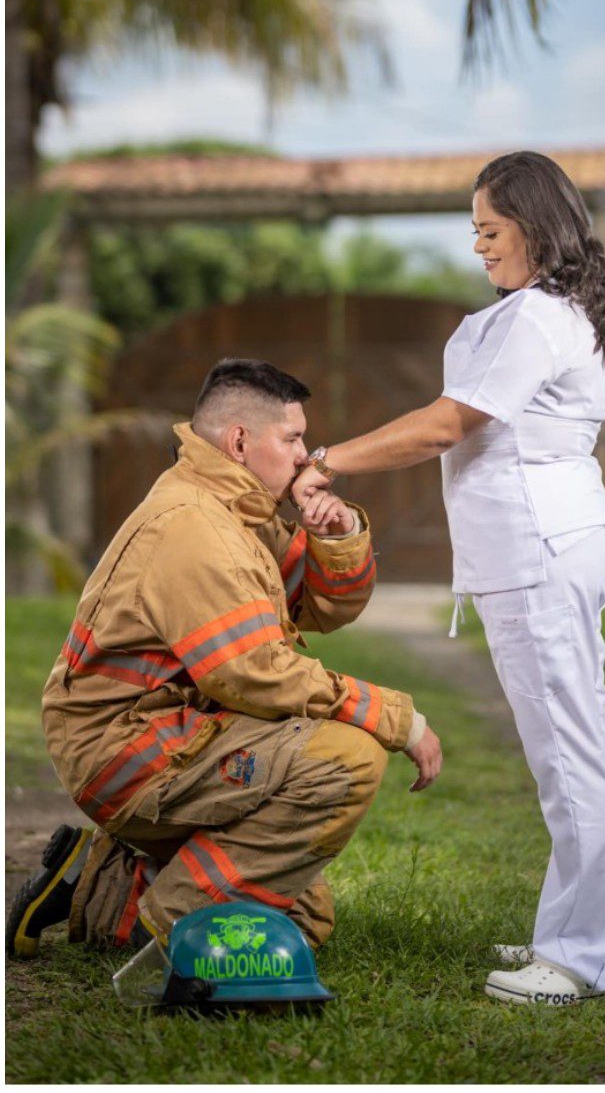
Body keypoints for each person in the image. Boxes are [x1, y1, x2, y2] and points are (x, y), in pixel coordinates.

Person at [289, 151, 605, 1007]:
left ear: (535, 225)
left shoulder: (536, 319)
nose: (478, 246)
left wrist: (326, 460)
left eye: (489, 229)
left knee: (571, 749)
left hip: (542, 546)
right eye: (474, 231)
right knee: (567, 747)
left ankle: (584, 956)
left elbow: (445, 425)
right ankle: (578, 933)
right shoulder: (549, 311)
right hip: (552, 541)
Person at [8, 359, 441, 964]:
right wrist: (397, 719)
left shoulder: (236, 509)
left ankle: (93, 877)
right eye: (292, 439)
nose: (306, 457)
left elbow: (320, 606)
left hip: (178, 732)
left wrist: (336, 536)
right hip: (124, 747)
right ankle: (164, 934)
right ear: (240, 441)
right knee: (346, 758)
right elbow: (252, 671)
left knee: (301, 915)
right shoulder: (193, 525)